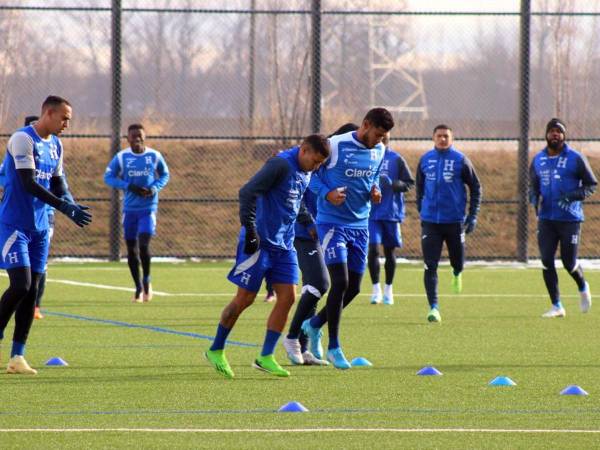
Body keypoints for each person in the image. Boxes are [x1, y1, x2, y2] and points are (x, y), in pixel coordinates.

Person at [205, 134, 329, 379]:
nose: (315, 167)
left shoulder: (306, 170)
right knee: (245, 299)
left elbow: (295, 200)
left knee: (288, 296)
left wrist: (308, 222)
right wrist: (250, 229)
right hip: (260, 241)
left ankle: (265, 356)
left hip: (284, 244)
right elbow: (247, 192)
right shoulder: (280, 164)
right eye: (314, 161)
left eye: (319, 165)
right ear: (303, 150)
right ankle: (216, 349)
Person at [0, 95, 92, 374]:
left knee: (32, 291)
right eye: (64, 118)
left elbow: (59, 183)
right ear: (49, 113)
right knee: (21, 285)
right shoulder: (22, 139)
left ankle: (17, 357)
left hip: (40, 230)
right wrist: (63, 207)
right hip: (14, 225)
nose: (67, 124)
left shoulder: (56, 145)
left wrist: (72, 203)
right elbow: (28, 183)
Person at [301, 108, 394, 370]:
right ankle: (334, 347)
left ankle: (314, 324)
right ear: (365, 125)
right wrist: (327, 193)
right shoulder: (336, 145)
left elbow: (373, 176)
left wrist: (374, 190)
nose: (379, 140)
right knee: (339, 282)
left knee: (354, 287)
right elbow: (310, 176)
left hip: (360, 225)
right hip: (331, 223)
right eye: (377, 134)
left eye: (383, 137)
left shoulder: (380, 150)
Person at [282, 122, 359, 366]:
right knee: (319, 283)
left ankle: (305, 349)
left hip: (330, 230)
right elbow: (298, 196)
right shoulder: (315, 161)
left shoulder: (338, 165)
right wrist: (310, 222)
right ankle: (292, 337)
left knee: (322, 288)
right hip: (306, 232)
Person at [529, 118, 596, 318]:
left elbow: (591, 184)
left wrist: (573, 196)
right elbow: (533, 185)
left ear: (564, 135)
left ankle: (583, 286)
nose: (555, 134)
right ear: (546, 135)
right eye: (552, 131)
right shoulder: (538, 160)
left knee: (568, 262)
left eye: (559, 131)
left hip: (570, 219)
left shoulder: (575, 158)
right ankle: (557, 305)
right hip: (547, 219)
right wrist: (533, 198)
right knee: (546, 260)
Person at [415, 124, 481, 323]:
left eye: (446, 136)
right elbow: (419, 188)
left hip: (454, 221)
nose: (442, 139)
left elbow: (476, 187)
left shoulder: (461, 160)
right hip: (430, 223)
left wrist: (472, 215)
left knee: (457, 260)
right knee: (430, 265)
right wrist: (422, 210)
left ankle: (456, 272)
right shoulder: (425, 160)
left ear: (451, 138)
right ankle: (433, 307)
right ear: (433, 138)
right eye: (439, 136)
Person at [104, 124, 170, 303]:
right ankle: (138, 287)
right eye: (134, 136)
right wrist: (128, 186)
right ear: (128, 139)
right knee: (131, 250)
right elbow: (108, 177)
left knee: (143, 245)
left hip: (148, 209)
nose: (137, 139)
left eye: (140, 136)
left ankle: (147, 279)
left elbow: (165, 174)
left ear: (145, 137)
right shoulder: (122, 157)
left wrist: (155, 188)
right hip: (130, 210)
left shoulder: (154, 156)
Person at [368, 132, 414, 305]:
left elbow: (409, 183)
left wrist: (394, 184)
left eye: (385, 135)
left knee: (389, 252)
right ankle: (375, 289)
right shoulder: (367, 157)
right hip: (371, 213)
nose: (382, 137)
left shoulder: (396, 159)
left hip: (391, 213)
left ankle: (388, 289)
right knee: (372, 250)